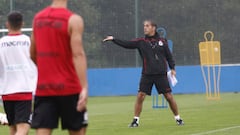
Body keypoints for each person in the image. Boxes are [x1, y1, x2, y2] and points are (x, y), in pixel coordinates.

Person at [103, 20, 184, 127]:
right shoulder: (141, 42)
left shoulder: (162, 41)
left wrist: (172, 68)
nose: (145, 28)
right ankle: (135, 121)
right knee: (140, 96)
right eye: (144, 26)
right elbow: (127, 44)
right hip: (147, 74)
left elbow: (169, 56)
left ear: (153, 28)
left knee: (169, 97)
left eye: (147, 26)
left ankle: (178, 118)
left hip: (161, 74)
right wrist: (114, 39)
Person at [30, 0, 88, 135]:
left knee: (42, 130)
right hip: (69, 87)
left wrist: (47, 69)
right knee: (77, 130)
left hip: (44, 88)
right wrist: (84, 87)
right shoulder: (74, 20)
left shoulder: (38, 18)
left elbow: (32, 52)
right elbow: (78, 54)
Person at [0, 11, 37, 135]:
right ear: (22, 24)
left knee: (13, 128)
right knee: (23, 128)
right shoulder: (28, 41)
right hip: (23, 89)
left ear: (7, 24)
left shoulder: (1, 43)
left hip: (6, 91)